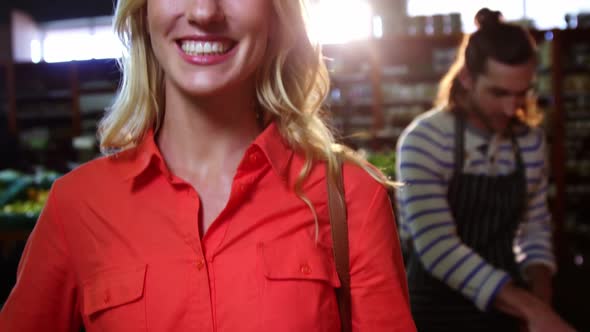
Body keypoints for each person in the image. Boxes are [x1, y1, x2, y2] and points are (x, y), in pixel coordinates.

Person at [0, 0, 415, 331]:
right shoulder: (76, 206)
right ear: (143, 11)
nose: (204, 12)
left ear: (277, 12)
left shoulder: (352, 197)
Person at [396, 8, 576, 332]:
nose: (511, 108)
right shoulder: (424, 139)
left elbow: (534, 227)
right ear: (466, 78)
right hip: (435, 311)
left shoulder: (529, 141)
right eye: (499, 93)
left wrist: (540, 301)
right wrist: (527, 305)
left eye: (522, 94)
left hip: (505, 311)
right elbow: (437, 246)